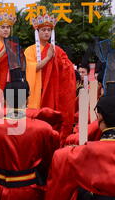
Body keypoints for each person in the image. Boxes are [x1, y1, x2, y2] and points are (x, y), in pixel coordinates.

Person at [24, 13, 76, 141]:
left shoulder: (57, 50)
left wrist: (58, 61)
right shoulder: (29, 50)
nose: (46, 33)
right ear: (37, 32)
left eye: (49, 30)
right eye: (43, 30)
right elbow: (30, 69)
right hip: (37, 91)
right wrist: (48, 58)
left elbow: (68, 69)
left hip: (53, 91)